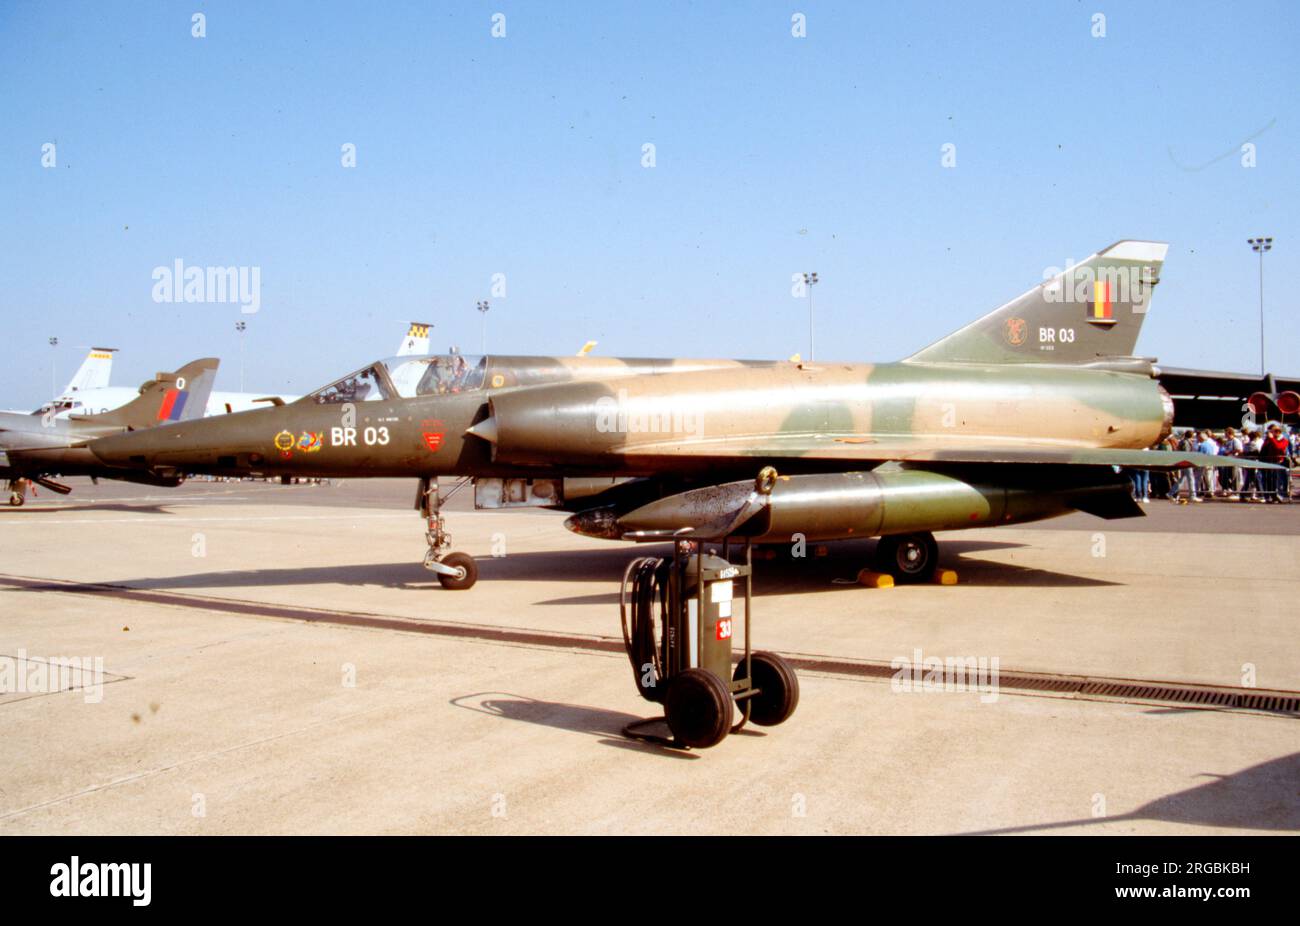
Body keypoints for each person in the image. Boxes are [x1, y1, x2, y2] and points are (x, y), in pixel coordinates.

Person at [1259, 424, 1290, 503]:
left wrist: (1272, 439)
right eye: (1272, 431)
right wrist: (1268, 440)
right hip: (1268, 463)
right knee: (1269, 481)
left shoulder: (1284, 440)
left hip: (1278, 463)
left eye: (1275, 431)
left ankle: (1278, 496)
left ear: (1279, 432)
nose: (1273, 433)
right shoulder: (1269, 440)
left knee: (1277, 481)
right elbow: (1263, 450)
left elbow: (1278, 447)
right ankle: (1270, 496)